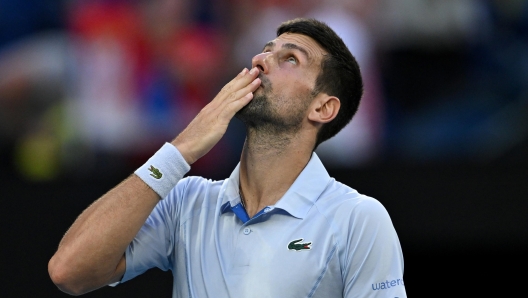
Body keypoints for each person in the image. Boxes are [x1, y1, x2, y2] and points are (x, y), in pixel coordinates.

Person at [48, 18, 407, 297]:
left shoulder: (358, 218)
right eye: (266, 50)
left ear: (323, 107)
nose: (260, 61)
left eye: (290, 59)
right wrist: (180, 151)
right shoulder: (188, 202)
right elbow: (69, 271)